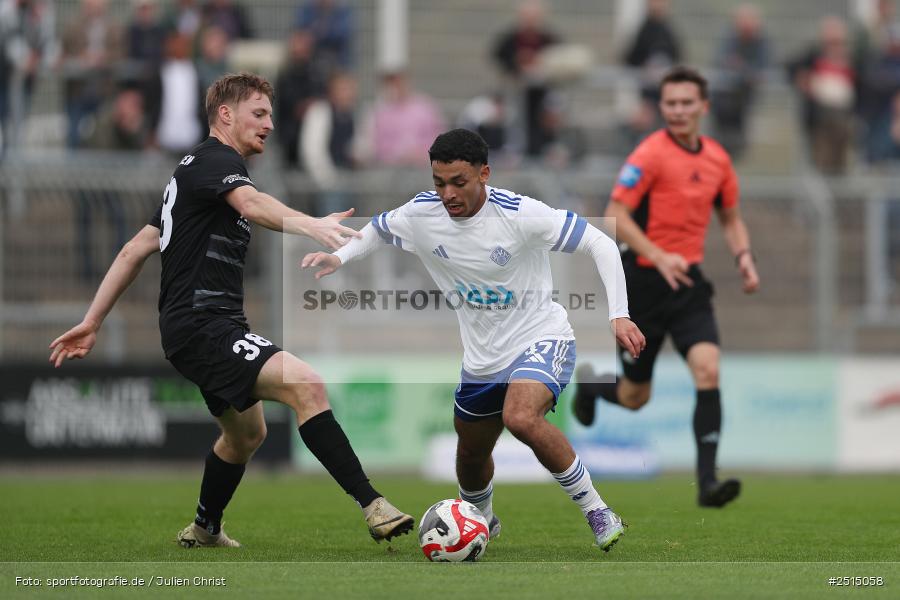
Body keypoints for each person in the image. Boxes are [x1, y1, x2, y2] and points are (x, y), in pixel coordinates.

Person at [49, 72, 414, 548]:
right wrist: (310, 224)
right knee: (308, 385)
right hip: (203, 325)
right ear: (226, 114)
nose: (269, 124)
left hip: (199, 327)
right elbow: (251, 202)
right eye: (259, 113)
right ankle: (374, 505)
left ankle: (205, 527)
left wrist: (92, 321)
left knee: (245, 436)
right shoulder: (215, 161)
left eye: (270, 115)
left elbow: (135, 248)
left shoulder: (192, 173)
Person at [302, 128, 646, 552]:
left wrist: (619, 314)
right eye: (439, 182)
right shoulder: (422, 213)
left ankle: (596, 509)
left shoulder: (520, 214)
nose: (447, 193)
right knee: (469, 455)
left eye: (458, 182)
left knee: (520, 417)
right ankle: (478, 520)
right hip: (483, 359)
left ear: (484, 173)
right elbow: (377, 230)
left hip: (542, 337)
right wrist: (338, 256)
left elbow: (599, 241)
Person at [572, 67, 760, 508]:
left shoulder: (717, 159)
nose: (678, 110)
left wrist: (744, 258)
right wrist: (657, 254)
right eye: (670, 103)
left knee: (708, 370)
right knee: (636, 397)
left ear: (702, 106)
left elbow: (731, 217)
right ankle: (594, 387)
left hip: (688, 284)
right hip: (642, 283)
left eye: (686, 103)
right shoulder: (649, 155)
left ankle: (708, 483)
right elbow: (615, 211)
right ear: (662, 107)